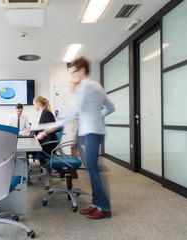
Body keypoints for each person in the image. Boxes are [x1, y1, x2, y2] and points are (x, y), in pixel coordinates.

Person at [37, 56, 115, 219]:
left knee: (93, 171)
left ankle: (104, 207)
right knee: (92, 170)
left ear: (82, 71)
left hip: (90, 133)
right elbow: (110, 107)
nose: (73, 76)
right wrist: (96, 115)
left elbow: (71, 114)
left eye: (74, 72)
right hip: (93, 132)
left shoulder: (84, 87)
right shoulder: (97, 86)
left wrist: (46, 130)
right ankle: (96, 204)